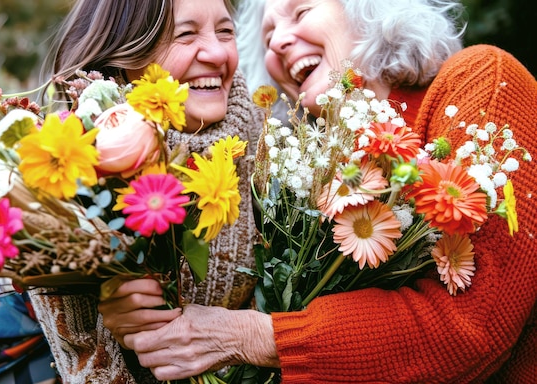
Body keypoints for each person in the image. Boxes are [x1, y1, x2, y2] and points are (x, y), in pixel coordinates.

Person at [99, 0, 537, 383]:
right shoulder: (309, 177)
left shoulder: (479, 77)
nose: (277, 44)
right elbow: (261, 298)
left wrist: (254, 337)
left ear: (372, 11)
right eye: (266, 37)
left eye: (302, 11)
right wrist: (141, 313)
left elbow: (475, 329)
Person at [27, 0, 264, 383]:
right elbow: (85, 363)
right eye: (186, 34)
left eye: (226, 31)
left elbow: (292, 296)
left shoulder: (264, 137)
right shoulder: (74, 166)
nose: (219, 52)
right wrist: (110, 316)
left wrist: (240, 334)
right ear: (123, 57)